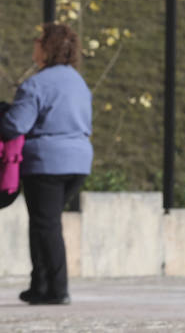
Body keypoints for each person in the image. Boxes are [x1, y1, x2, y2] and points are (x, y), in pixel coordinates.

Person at [0, 23, 92, 306]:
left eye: (38, 40)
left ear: (47, 48)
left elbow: (17, 124)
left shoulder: (36, 84)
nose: (34, 44)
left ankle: (57, 288)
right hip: (78, 160)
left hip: (47, 161)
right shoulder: (78, 81)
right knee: (43, 223)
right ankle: (39, 285)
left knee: (46, 223)